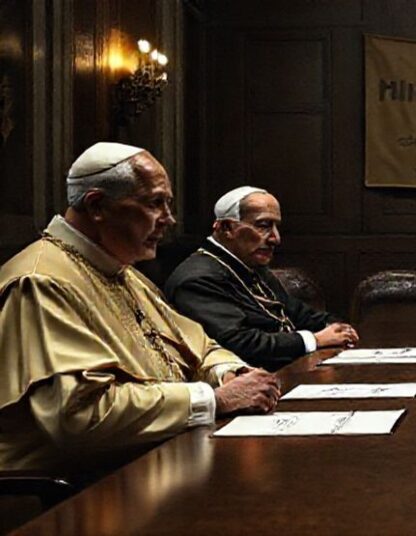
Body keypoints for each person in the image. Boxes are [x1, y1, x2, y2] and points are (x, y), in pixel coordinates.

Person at [0, 142, 281, 475]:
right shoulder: (41, 281)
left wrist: (229, 373)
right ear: (97, 205)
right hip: (73, 493)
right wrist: (215, 399)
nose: (169, 219)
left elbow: (200, 346)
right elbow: (80, 415)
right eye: (155, 203)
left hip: (151, 463)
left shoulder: (123, 271)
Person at [164, 187, 358, 371]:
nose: (275, 238)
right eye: (263, 226)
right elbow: (239, 343)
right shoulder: (197, 279)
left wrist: (337, 327)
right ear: (226, 228)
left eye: (276, 227)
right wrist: (314, 340)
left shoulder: (249, 263)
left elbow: (298, 314)